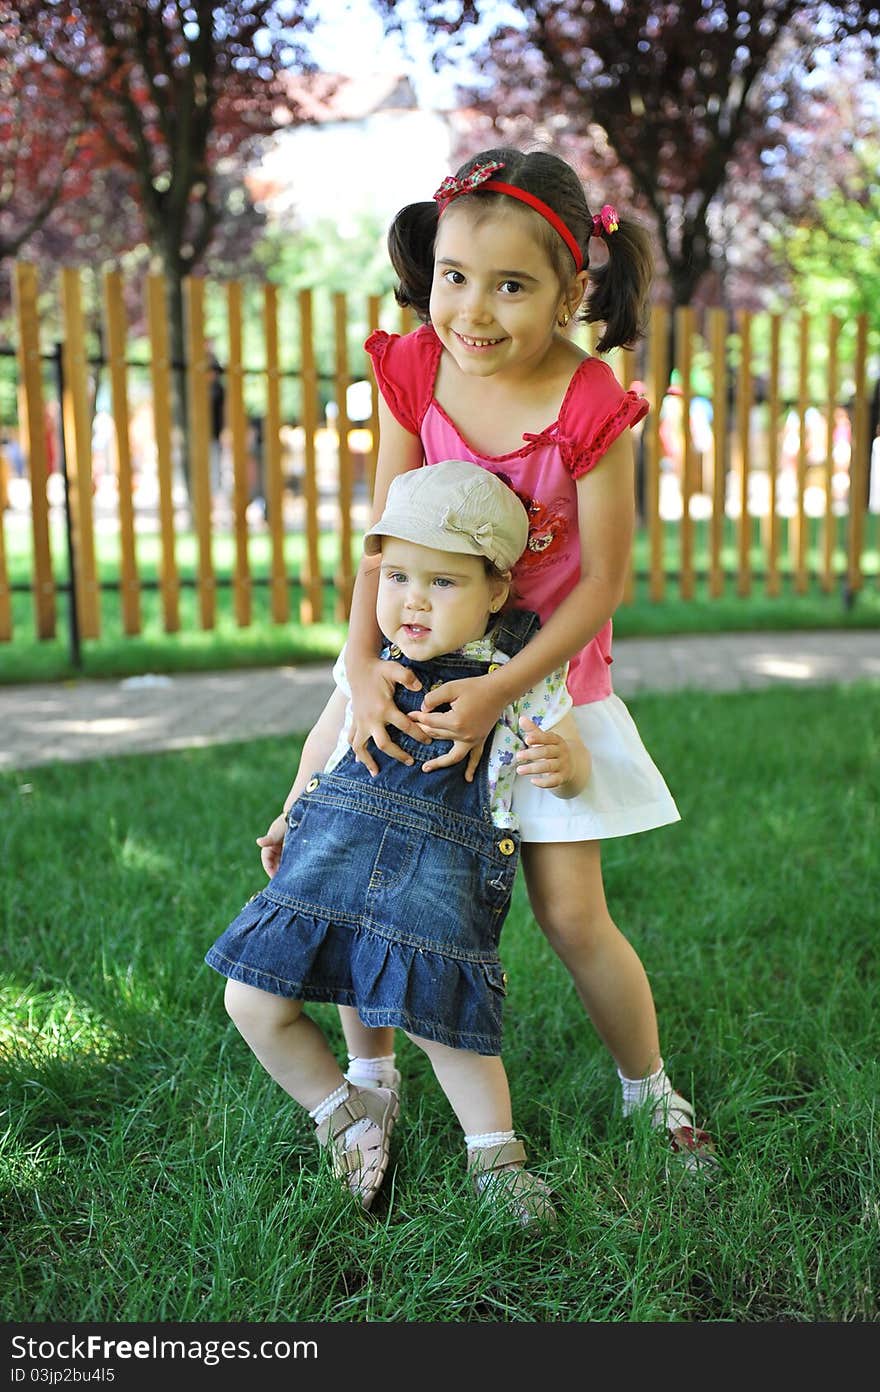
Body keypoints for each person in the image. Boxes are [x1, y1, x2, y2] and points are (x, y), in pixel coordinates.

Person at [336, 146, 716, 1172]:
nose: (473, 309)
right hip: (412, 665)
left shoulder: (591, 406)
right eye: (455, 276)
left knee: (569, 910)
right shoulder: (415, 369)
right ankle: (368, 1084)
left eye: (511, 285)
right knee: (369, 874)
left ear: (570, 290)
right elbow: (386, 532)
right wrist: (359, 662)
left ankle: (649, 1088)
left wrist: (503, 689)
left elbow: (598, 584)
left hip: (538, 679)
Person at [205, 460, 591, 1224]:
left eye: (443, 583)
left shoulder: (516, 674)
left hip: (438, 875)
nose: (411, 599)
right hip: (333, 854)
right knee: (248, 996)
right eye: (398, 576)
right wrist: (290, 814)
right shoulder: (370, 666)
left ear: (496, 593)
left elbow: (570, 754)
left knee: (439, 1021)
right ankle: (345, 1110)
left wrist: (564, 765)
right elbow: (324, 745)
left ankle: (496, 1159)